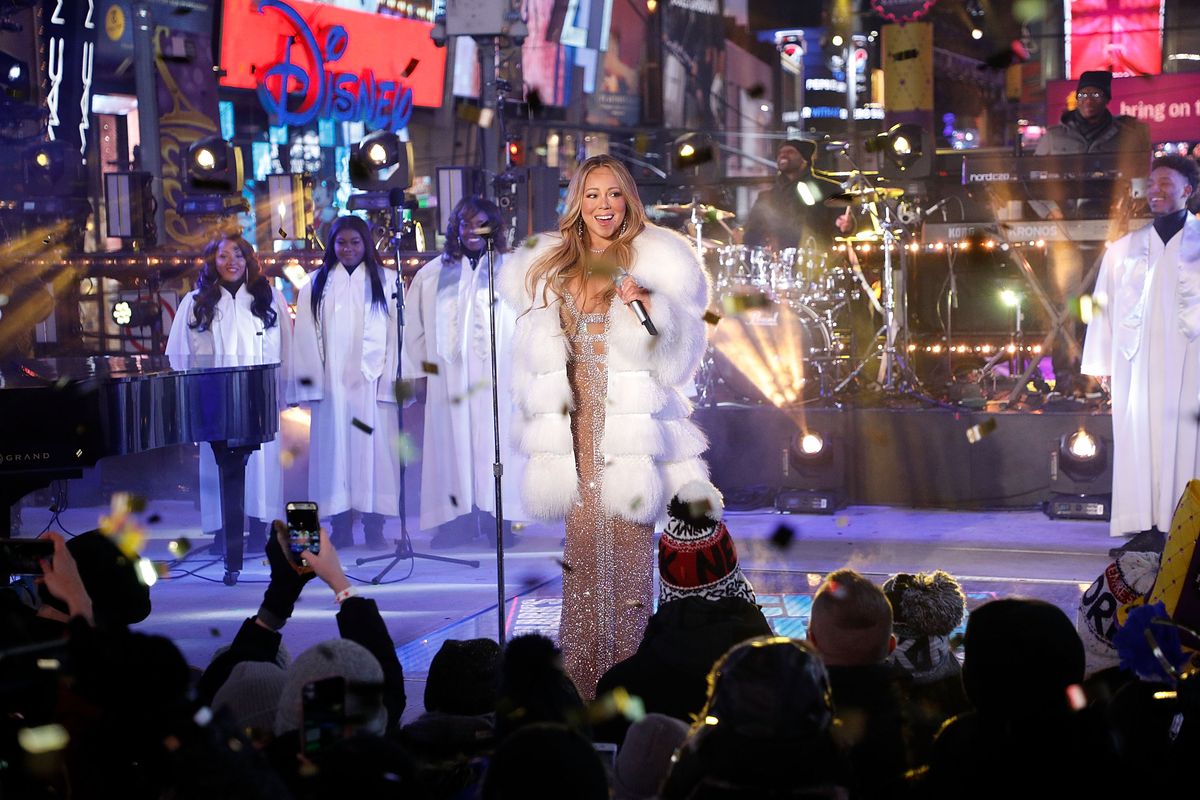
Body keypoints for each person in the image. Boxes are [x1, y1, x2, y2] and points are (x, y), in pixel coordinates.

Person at [498, 154, 712, 700]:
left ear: (629, 200)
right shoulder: (549, 265)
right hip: (573, 428)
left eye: (614, 194)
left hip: (628, 428)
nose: (604, 205)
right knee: (584, 560)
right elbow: (531, 358)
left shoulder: (656, 262)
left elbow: (677, 362)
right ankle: (580, 684)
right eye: (592, 194)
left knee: (630, 559)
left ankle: (630, 686)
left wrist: (650, 308)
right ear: (577, 202)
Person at [1081, 155, 1200, 547]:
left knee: (1187, 441)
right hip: (1138, 365)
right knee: (1140, 439)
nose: (1155, 191)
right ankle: (1147, 528)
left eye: (1165, 183)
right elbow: (1101, 305)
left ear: (1187, 190)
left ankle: (1185, 529)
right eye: (1151, 184)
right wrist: (1101, 362)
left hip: (1191, 365)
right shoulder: (1123, 250)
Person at [403, 196, 524, 549]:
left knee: (495, 447)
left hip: (497, 378)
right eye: (466, 224)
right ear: (455, 227)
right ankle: (456, 523)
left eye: (481, 224)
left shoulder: (511, 271)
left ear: (494, 228)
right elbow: (414, 330)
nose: (473, 231)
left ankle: (498, 520)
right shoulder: (432, 274)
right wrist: (418, 376)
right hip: (449, 381)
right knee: (450, 448)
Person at [166, 233, 290, 553]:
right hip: (214, 397)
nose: (231, 262)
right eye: (223, 256)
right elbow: (180, 355)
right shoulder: (195, 302)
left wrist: (284, 392)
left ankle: (260, 527)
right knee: (216, 463)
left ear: (248, 259)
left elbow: (286, 350)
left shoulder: (268, 298)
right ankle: (224, 531)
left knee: (262, 465)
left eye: (238, 254)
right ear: (212, 262)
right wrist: (189, 399)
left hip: (258, 395)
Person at [1035, 70, 1152, 394]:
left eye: (1096, 95)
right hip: (1065, 236)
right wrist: (1051, 211)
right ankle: (1066, 376)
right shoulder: (1054, 137)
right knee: (1066, 306)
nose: (1089, 100)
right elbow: (1031, 181)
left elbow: (1140, 180)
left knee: (1103, 305)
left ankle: (1097, 376)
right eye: (1084, 94)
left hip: (1110, 235)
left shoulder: (1126, 136)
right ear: (1076, 98)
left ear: (1107, 99)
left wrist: (1126, 210)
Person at [292, 215, 401, 550]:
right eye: (341, 243)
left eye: (355, 242)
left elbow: (397, 338)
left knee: (375, 457)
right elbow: (305, 338)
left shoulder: (387, 280)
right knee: (334, 457)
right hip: (333, 388)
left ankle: (374, 527)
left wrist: (392, 383)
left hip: (372, 386)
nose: (348, 249)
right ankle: (340, 526)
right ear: (332, 245)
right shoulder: (316, 284)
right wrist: (312, 386)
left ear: (366, 243)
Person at [743, 138, 850, 250]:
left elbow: (842, 224)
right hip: (777, 258)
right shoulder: (766, 197)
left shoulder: (828, 188)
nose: (783, 155)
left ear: (805, 159)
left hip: (816, 256)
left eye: (790, 152)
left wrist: (847, 226)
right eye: (780, 152)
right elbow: (752, 233)